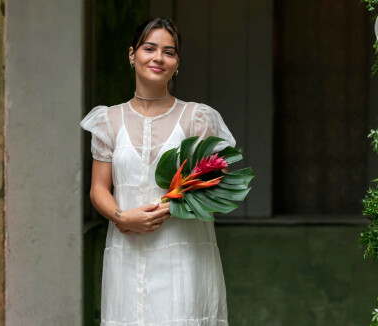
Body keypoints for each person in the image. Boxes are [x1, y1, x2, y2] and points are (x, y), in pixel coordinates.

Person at [81, 17, 235, 326]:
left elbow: (213, 180)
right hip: (125, 250)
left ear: (177, 62)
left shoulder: (197, 119)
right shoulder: (108, 121)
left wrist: (173, 203)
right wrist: (123, 218)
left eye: (169, 52)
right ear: (132, 54)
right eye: (149, 48)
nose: (158, 58)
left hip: (183, 252)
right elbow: (99, 188)